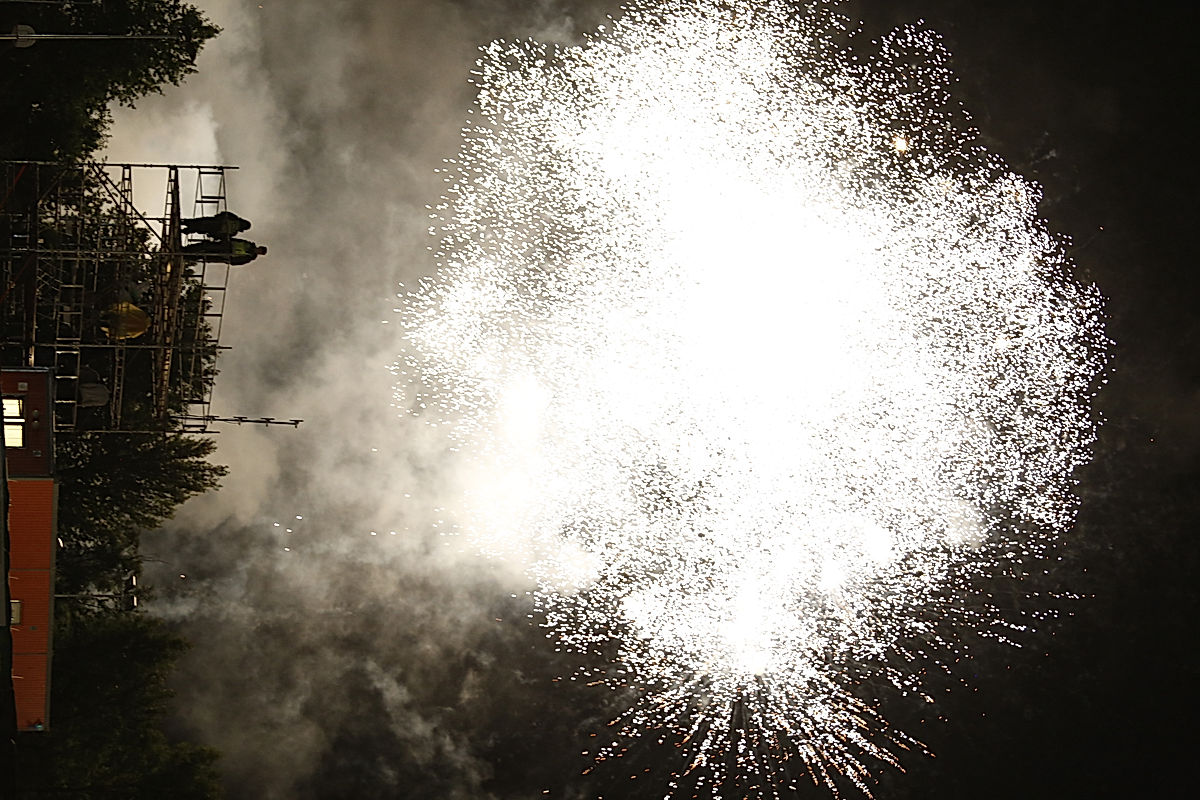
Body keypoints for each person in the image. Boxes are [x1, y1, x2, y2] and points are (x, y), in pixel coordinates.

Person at [182, 238, 268, 266]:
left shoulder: (249, 257)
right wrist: (226, 240)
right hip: (226, 246)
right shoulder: (248, 244)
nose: (258, 251)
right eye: (260, 250)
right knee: (206, 246)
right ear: (259, 247)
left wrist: (229, 261)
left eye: (260, 252)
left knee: (207, 257)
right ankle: (186, 249)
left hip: (226, 256)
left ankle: (187, 256)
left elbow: (238, 262)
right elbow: (237, 240)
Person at [181, 210, 251, 239]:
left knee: (199, 221)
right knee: (199, 229)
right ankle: (184, 230)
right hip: (214, 229)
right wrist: (213, 235)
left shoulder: (235, 218)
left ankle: (184, 222)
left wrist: (218, 216)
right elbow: (222, 236)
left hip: (215, 221)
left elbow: (225, 213)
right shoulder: (234, 232)